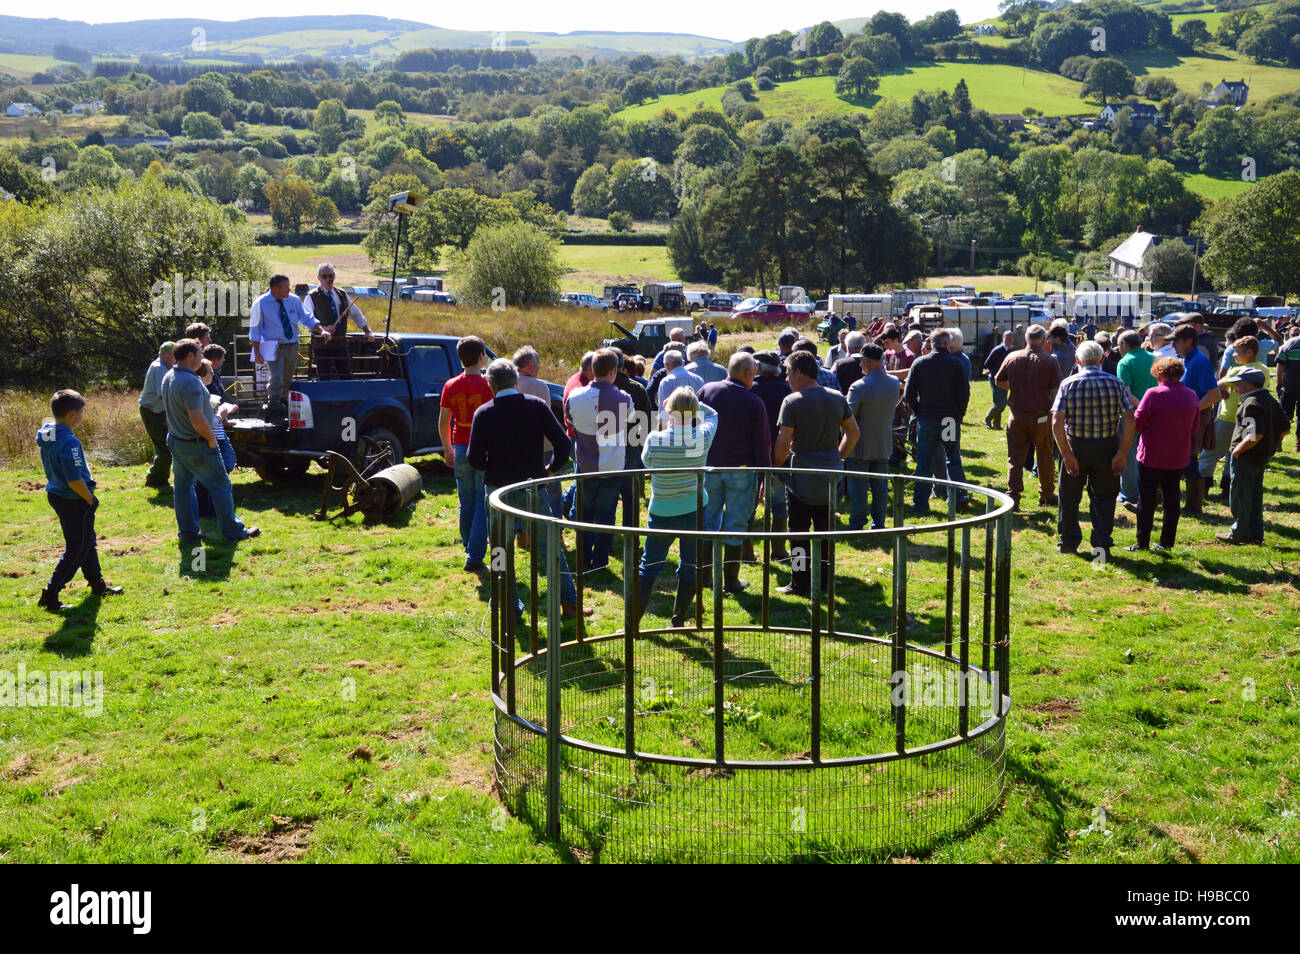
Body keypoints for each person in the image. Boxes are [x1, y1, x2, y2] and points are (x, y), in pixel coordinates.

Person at [468, 358, 587, 621]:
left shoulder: (484, 413)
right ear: (515, 380)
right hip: (533, 486)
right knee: (550, 548)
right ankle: (569, 604)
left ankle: (510, 608)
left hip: (499, 491)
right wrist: (550, 470)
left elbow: (474, 458)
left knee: (501, 552)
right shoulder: (536, 406)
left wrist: (493, 467)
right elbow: (563, 445)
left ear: (490, 384)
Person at [774, 351, 859, 597]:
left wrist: (778, 469)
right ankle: (825, 581)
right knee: (826, 533)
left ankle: (799, 583)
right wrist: (838, 458)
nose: (787, 378)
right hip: (831, 476)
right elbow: (854, 434)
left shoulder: (792, 401)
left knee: (799, 533)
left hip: (801, 477)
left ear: (799, 373)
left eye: (789, 373)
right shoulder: (836, 397)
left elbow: (782, 444)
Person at [633, 387, 720, 627]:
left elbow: (646, 462)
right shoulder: (701, 436)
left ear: (668, 409)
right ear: (693, 412)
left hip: (661, 509)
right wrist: (693, 404)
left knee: (648, 566)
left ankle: (633, 625)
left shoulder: (655, 439)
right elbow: (713, 415)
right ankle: (677, 621)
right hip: (693, 508)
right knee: (690, 565)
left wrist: (676, 404)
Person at [162, 338, 259, 544]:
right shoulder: (191, 382)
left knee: (183, 488)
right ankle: (233, 531)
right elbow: (197, 419)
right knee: (221, 486)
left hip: (177, 441)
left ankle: (188, 533)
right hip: (197, 443)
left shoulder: (169, 375)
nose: (202, 356)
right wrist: (212, 439)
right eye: (199, 353)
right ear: (190, 356)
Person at [36, 390, 124, 611]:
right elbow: (74, 478)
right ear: (73, 415)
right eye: (82, 412)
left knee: (87, 542)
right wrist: (90, 499)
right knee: (78, 547)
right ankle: (52, 592)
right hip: (73, 498)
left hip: (56, 493)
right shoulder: (70, 442)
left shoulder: (48, 432)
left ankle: (97, 584)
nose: (83, 416)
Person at [1050, 341, 1134, 558]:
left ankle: (1068, 542)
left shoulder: (1068, 384)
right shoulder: (1116, 383)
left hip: (1076, 445)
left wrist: (1067, 454)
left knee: (1069, 497)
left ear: (1078, 360)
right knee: (1104, 499)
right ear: (1102, 359)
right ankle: (1101, 547)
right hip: (1107, 446)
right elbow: (1129, 419)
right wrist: (1122, 453)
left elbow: (1056, 422)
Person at [699, 352, 771, 593]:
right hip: (741, 472)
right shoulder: (753, 402)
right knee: (736, 525)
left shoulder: (707, 391)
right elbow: (762, 444)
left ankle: (704, 576)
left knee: (708, 522)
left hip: (709, 468)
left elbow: (691, 425)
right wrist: (764, 476)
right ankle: (730, 580)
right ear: (748, 373)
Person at [566, 349, 633, 571]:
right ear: (613, 371)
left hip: (585, 466)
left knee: (584, 515)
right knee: (607, 514)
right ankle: (601, 560)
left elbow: (570, 419)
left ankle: (584, 559)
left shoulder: (575, 395)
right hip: (612, 466)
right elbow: (630, 419)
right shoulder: (624, 398)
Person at [1127, 357, 1201, 552]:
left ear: (1159, 374)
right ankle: (1166, 542)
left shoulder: (1153, 394)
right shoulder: (1192, 395)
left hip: (1152, 454)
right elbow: (1194, 428)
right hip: (1177, 454)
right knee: (1172, 498)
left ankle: (1142, 542)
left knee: (1147, 498)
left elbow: (1139, 423)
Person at [440, 336, 493, 572]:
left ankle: (468, 545)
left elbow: (443, 422)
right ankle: (475, 553)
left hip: (459, 445)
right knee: (483, 502)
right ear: (482, 357)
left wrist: (447, 448)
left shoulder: (450, 385)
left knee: (466, 499)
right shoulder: (489, 386)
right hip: (483, 449)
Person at [995, 324, 1062, 510]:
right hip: (1041, 417)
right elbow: (1056, 390)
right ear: (1043, 340)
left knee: (1015, 459)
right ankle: (1046, 494)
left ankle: (1013, 497)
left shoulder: (1012, 357)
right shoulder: (1050, 361)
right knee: (1045, 457)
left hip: (1016, 417)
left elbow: (998, 380)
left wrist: (1015, 388)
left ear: (1026, 339)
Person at [904, 329, 970, 513]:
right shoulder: (956, 364)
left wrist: (919, 412)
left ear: (931, 344)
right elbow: (964, 393)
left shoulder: (919, 363)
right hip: (949, 419)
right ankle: (957, 498)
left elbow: (908, 394)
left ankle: (920, 503)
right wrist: (958, 416)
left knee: (923, 462)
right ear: (947, 344)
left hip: (927, 418)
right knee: (953, 459)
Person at [1216, 367, 1284, 545]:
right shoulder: (1270, 399)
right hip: (1261, 456)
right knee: (1254, 496)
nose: (1236, 389)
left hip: (1246, 457)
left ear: (1249, 385)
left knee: (1240, 496)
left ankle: (1239, 532)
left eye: (1238, 385)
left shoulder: (1251, 403)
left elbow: (1254, 434)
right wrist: (1273, 443)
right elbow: (1285, 426)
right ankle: (1255, 534)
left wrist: (1238, 450)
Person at [249, 274, 331, 416]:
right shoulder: (260, 303)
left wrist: (322, 330)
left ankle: (282, 401)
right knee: (277, 377)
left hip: (292, 344)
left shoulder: (293, 300)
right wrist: (257, 352)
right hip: (272, 345)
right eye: (286, 288)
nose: (289, 290)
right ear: (276, 289)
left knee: (287, 377)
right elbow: (255, 330)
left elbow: (308, 318)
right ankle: (273, 402)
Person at [1199, 336, 1268, 502]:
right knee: (1233, 455)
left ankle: (1200, 490)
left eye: (1236, 352)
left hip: (1228, 417)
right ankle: (1227, 491)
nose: (1234, 355)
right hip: (1248, 418)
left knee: (1209, 454)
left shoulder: (1239, 371)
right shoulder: (1264, 369)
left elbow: (1215, 388)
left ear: (1249, 352)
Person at [845, 344, 900, 530]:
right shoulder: (893, 383)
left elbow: (846, 416)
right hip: (884, 443)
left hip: (859, 445)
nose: (860, 363)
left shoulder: (859, 387)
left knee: (858, 488)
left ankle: (858, 522)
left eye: (861, 360)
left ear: (867, 361)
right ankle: (879, 523)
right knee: (880, 488)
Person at [1171, 324, 1223, 515]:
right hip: (1182, 420)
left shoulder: (1199, 362)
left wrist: (1191, 409)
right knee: (1181, 459)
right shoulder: (1184, 359)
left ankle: (1194, 505)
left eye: (1176, 341)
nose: (1173, 345)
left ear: (1188, 341)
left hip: (1193, 421)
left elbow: (1214, 394)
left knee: (1190, 460)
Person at [514, 345, 565, 518]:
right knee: (552, 491)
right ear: (529, 365)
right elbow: (547, 420)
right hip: (542, 446)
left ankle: (522, 532)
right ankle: (555, 531)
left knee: (519, 491)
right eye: (537, 364)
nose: (539, 367)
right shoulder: (539, 386)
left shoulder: (508, 384)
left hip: (515, 447)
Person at [752, 350, 792, 558]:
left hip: (751, 454)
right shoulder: (786, 389)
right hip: (779, 452)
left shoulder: (750, 388)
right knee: (779, 504)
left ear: (757, 367)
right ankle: (778, 549)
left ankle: (746, 551)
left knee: (748, 504)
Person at [305, 262, 373, 379]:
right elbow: (307, 320)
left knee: (346, 376)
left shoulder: (342, 294)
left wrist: (367, 330)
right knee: (324, 378)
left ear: (334, 276)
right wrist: (323, 330)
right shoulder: (311, 296)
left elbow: (356, 314)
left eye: (330, 276)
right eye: (325, 276)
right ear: (319, 278)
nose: (328, 279)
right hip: (322, 346)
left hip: (340, 343)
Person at [1115, 329, 1156, 512]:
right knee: (1148, 454)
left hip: (1132, 414)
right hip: (1155, 413)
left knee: (1130, 453)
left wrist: (1141, 407)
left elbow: (1126, 392)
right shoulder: (1154, 358)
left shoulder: (1125, 362)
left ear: (1124, 344)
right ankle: (1147, 491)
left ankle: (1129, 493)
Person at [195, 359, 239, 520]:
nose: (213, 373)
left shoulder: (203, 389)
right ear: (202, 374)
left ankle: (204, 511)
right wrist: (222, 412)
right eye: (210, 371)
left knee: (204, 477)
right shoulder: (201, 392)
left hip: (215, 436)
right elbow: (209, 421)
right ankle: (215, 512)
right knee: (221, 471)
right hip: (213, 438)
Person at [139, 341, 175, 489]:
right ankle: (155, 480)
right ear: (166, 355)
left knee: (164, 446)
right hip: (152, 412)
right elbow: (164, 395)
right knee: (164, 447)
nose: (177, 358)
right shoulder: (159, 368)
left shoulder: (165, 366)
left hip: (157, 411)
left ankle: (158, 478)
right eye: (175, 354)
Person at [656, 349, 704, 419]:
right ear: (683, 363)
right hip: (697, 424)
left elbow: (663, 412)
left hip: (675, 426)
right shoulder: (698, 379)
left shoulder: (666, 381)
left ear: (666, 365)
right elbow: (703, 407)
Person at [982, 329, 1015, 429]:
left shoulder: (1012, 350)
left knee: (1002, 402)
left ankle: (997, 425)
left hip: (1006, 380)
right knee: (999, 403)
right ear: (1003, 339)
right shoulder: (997, 350)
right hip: (995, 379)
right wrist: (994, 371)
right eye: (1007, 338)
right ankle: (987, 419)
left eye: (1010, 338)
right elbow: (987, 363)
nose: (1009, 340)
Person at [1277, 327, 1300, 453]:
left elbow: (1280, 364)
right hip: (1289, 386)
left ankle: (1278, 443)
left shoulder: (1290, 343)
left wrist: (1278, 382)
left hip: (1289, 386)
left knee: (1284, 416)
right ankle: (1298, 445)